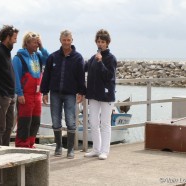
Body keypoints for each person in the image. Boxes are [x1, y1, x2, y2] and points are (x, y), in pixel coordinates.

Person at [40, 30, 86, 159]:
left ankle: (70, 149)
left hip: (71, 94)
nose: (66, 42)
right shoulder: (53, 57)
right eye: (64, 40)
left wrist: (81, 92)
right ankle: (59, 146)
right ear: (60, 40)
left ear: (72, 40)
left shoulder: (78, 58)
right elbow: (46, 76)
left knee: (71, 121)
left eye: (68, 40)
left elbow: (81, 77)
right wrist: (44, 92)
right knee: (55, 121)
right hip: (54, 93)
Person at [84, 29, 117, 160]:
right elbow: (84, 68)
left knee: (105, 123)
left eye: (103, 41)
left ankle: (105, 150)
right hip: (93, 95)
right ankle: (96, 149)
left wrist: (100, 62)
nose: (100, 44)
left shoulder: (111, 58)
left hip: (106, 95)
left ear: (107, 43)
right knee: (93, 122)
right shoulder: (93, 58)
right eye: (98, 41)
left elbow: (109, 76)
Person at [12, 32, 49, 148]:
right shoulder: (18, 58)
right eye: (34, 42)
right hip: (25, 95)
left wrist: (42, 47)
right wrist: (19, 93)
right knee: (24, 121)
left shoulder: (38, 55)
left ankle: (30, 143)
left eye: (38, 42)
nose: (36, 45)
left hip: (37, 95)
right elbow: (16, 77)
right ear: (27, 43)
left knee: (35, 121)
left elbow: (48, 60)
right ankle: (22, 145)